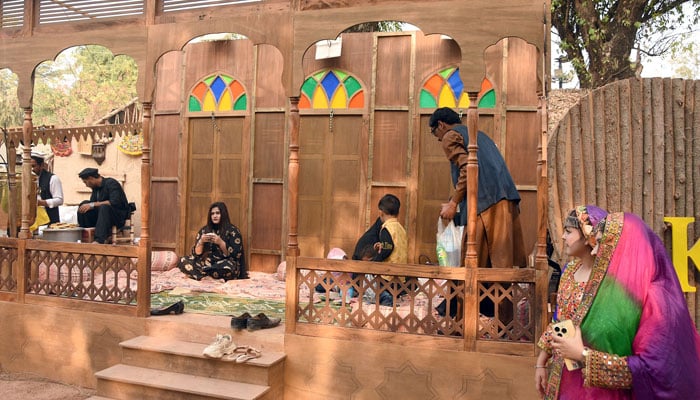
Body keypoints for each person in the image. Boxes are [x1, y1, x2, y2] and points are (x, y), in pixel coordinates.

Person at [535, 205, 700, 399]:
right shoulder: (585, 278)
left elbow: (654, 371)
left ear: (623, 247)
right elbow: (562, 321)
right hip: (569, 384)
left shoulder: (654, 302)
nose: (596, 251)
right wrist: (542, 361)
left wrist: (583, 356)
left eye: (602, 244)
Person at [178, 201, 247, 281]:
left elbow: (236, 256)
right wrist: (201, 242)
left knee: (229, 268)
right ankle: (208, 276)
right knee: (183, 261)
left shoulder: (233, 231)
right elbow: (197, 254)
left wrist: (221, 242)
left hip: (224, 263)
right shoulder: (205, 230)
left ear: (223, 214)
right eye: (212, 214)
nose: (215, 216)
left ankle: (202, 275)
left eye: (217, 213)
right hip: (207, 262)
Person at [77, 168, 131, 244]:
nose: (86, 185)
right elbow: (92, 204)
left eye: (85, 182)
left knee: (104, 207)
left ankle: (99, 240)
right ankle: (86, 235)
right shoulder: (95, 189)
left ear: (91, 178)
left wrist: (92, 204)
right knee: (84, 204)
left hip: (117, 217)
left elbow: (114, 202)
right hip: (101, 217)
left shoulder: (111, 183)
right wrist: (89, 205)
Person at [373, 194, 408, 306]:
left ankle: (387, 304)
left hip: (388, 274)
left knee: (383, 296)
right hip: (400, 273)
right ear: (398, 213)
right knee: (393, 293)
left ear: (381, 213)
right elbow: (394, 244)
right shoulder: (400, 228)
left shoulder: (386, 228)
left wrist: (376, 261)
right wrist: (382, 245)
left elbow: (388, 247)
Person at [30, 151, 63, 224]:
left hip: (49, 220)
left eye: (33, 166)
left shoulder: (53, 178)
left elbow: (59, 200)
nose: (31, 169)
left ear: (41, 165)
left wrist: (41, 203)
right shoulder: (26, 179)